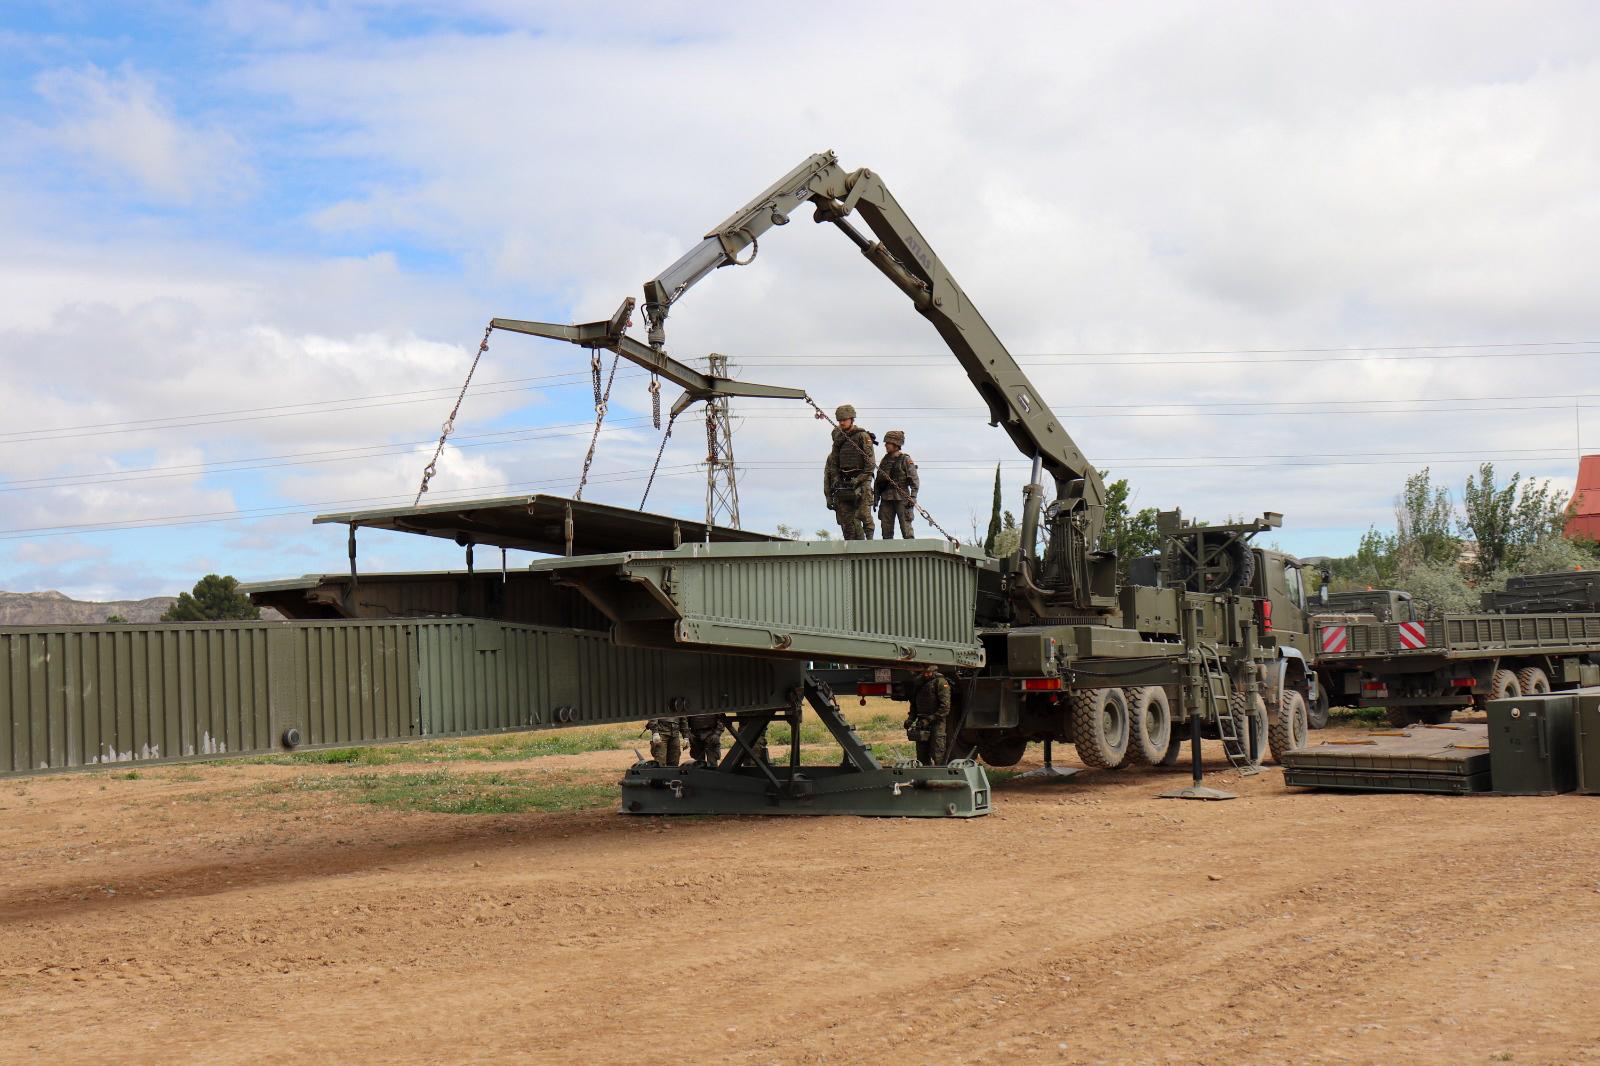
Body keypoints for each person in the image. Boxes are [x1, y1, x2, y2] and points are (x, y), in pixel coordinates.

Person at [823, 404, 876, 540]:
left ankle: (870, 544)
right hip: (844, 481)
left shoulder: (862, 436)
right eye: (839, 420)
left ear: (851, 419)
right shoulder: (838, 439)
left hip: (862, 479)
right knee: (846, 519)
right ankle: (851, 548)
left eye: (844, 420)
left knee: (864, 515)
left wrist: (859, 479)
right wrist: (835, 479)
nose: (841, 422)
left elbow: (870, 464)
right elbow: (834, 463)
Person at [873, 429, 919, 539]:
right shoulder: (884, 460)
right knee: (886, 532)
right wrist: (876, 498)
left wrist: (913, 497)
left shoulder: (905, 459)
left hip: (902, 499)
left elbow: (914, 480)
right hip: (886, 499)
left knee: (907, 531)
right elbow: (878, 482)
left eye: (888, 443)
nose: (886, 445)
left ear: (896, 444)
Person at [904, 663, 953, 765]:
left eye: (928, 672)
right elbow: (914, 705)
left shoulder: (941, 682)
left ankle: (940, 776)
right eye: (924, 672)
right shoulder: (918, 682)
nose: (926, 675)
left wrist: (929, 719)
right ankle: (924, 777)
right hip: (921, 722)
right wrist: (910, 719)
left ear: (933, 672)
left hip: (937, 722)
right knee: (921, 753)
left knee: (937, 751)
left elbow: (945, 708)